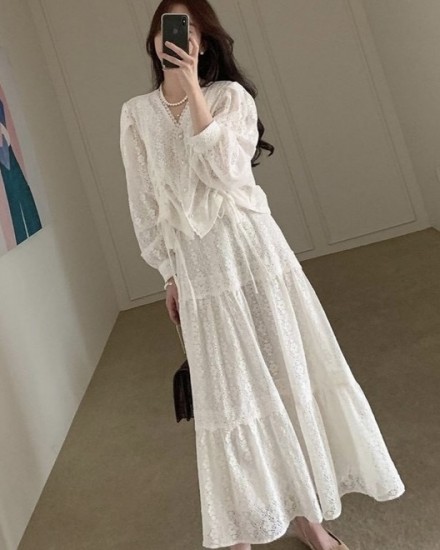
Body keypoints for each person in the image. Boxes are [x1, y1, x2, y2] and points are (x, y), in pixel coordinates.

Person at [119, 1, 405, 549]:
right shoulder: (135, 114)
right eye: (167, 29)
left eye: (189, 30)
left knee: (282, 378)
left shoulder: (231, 98)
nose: (176, 38)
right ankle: (241, 531)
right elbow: (145, 202)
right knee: (230, 398)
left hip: (252, 255)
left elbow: (228, 172)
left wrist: (194, 90)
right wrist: (167, 274)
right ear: (154, 39)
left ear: (205, 41)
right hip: (200, 271)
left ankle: (309, 521)